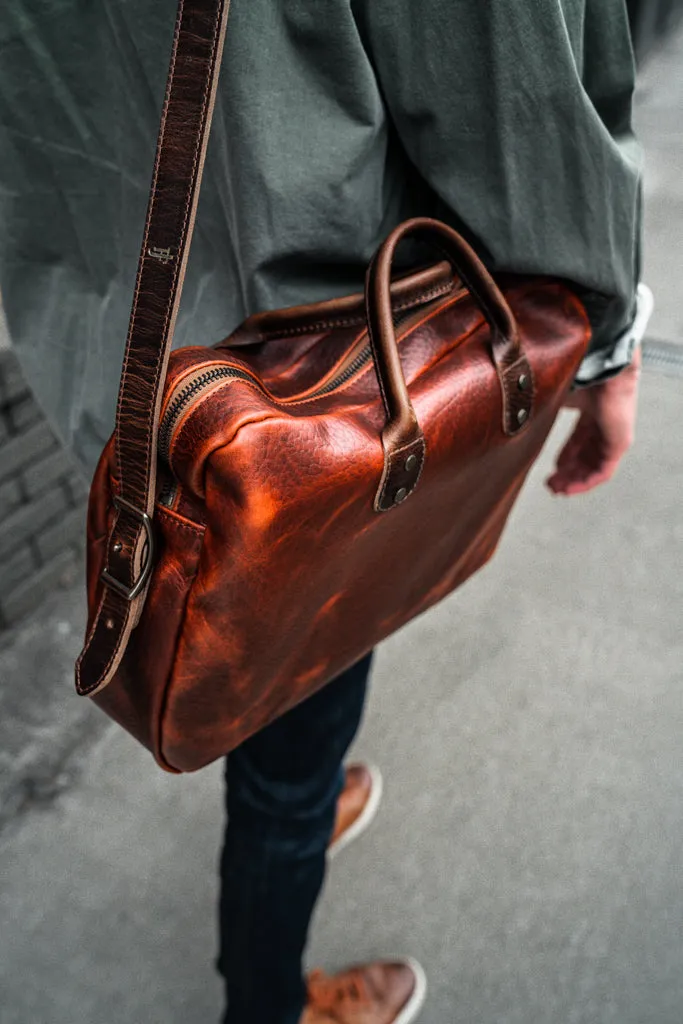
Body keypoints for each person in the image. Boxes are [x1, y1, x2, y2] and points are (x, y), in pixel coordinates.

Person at [0, 2, 650, 1022]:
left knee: (245, 667)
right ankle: (267, 997)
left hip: (106, 346)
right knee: (286, 725)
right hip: (293, 418)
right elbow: (512, 93)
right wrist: (605, 343)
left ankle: (295, 778)